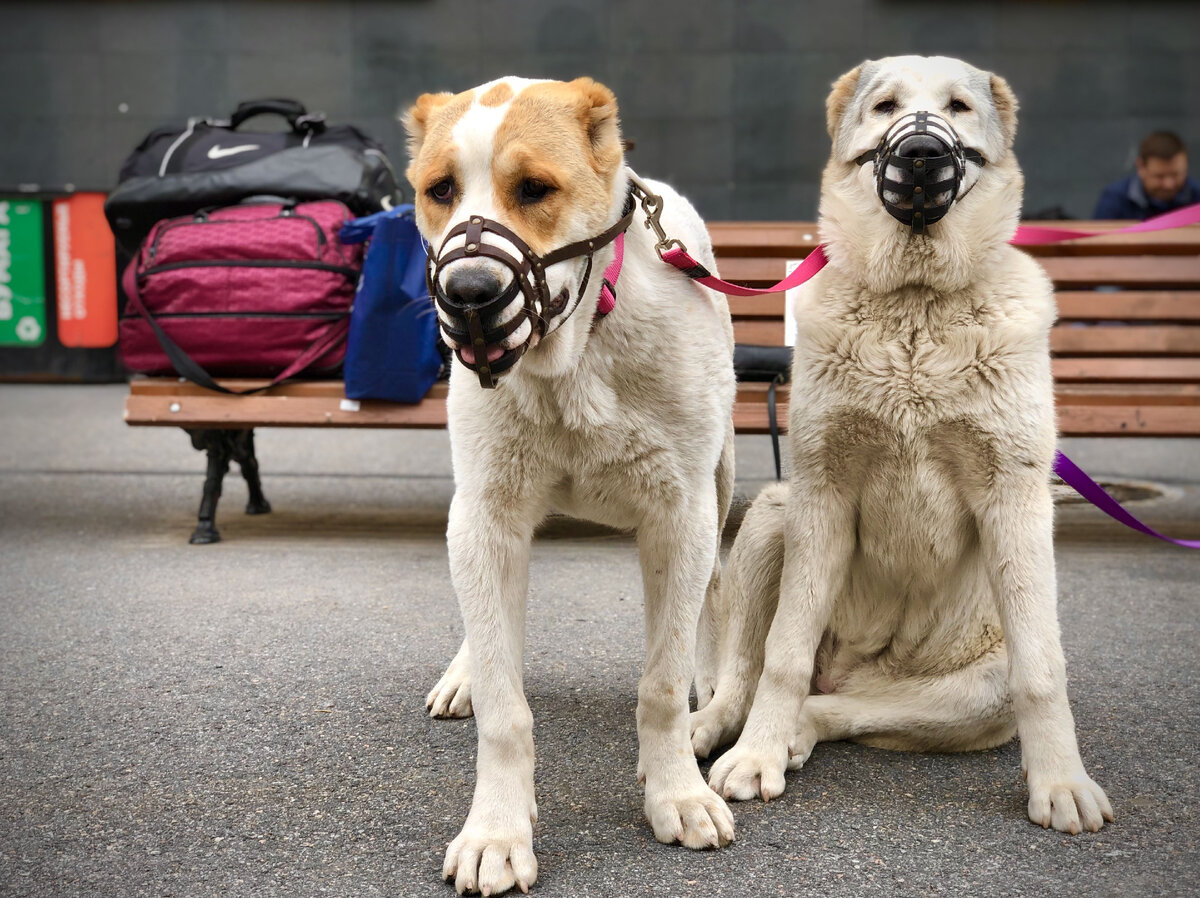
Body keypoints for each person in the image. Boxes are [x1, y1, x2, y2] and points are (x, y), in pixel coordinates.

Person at [1093, 131, 1200, 220]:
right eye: (1159, 176)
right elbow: (1097, 243)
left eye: (1176, 175)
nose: (1168, 184)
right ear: (1140, 167)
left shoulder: (1197, 196)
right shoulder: (1115, 199)